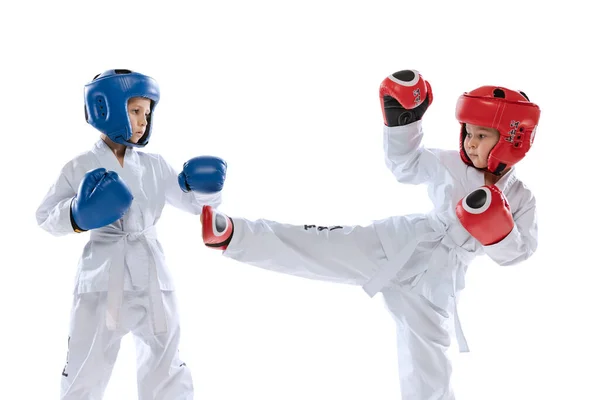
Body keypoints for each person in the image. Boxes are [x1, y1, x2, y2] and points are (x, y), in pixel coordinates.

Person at [197, 69, 541, 399]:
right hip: (399, 243)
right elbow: (406, 165)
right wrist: (403, 121)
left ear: (513, 140)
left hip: (437, 285)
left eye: (482, 135)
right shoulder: (450, 163)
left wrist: (497, 229)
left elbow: (518, 253)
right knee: (321, 244)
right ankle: (233, 234)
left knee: (430, 372)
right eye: (468, 132)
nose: (471, 141)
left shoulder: (521, 197)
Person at [36, 69, 227, 400]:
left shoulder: (155, 165)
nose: (142, 121)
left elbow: (193, 204)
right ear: (105, 107)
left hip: (153, 278)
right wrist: (78, 215)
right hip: (102, 279)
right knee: (86, 368)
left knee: (165, 365)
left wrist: (207, 190)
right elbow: (45, 216)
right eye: (135, 111)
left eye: (147, 113)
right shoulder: (79, 165)